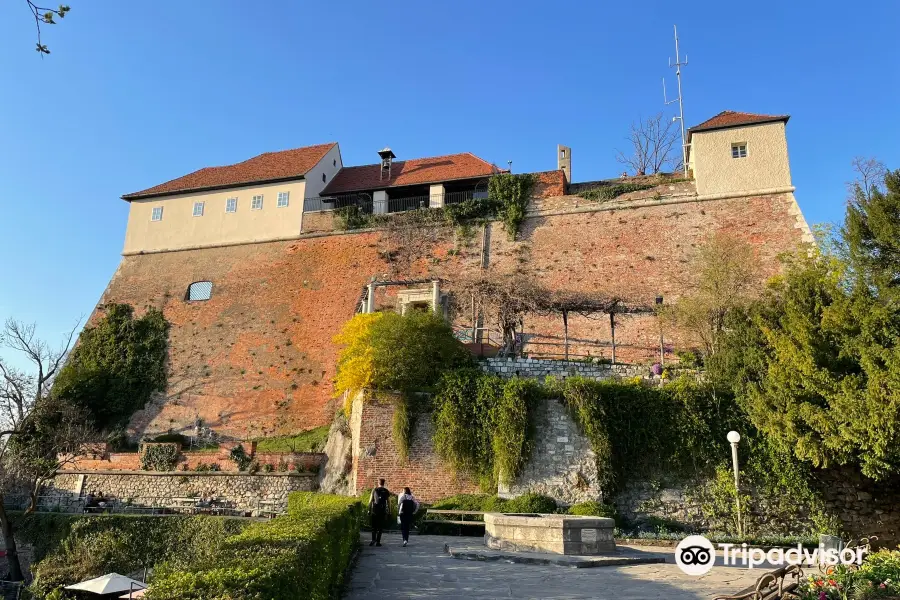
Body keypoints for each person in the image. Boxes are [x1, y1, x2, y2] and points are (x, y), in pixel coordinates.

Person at [368, 478, 391, 547]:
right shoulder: (386, 491)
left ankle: (373, 540)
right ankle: (378, 542)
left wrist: (369, 510)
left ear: (378, 483)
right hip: (382, 510)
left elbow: (370, 501)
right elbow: (389, 502)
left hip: (375, 510)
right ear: (384, 483)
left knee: (374, 526)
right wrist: (390, 511)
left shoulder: (374, 490)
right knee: (380, 527)